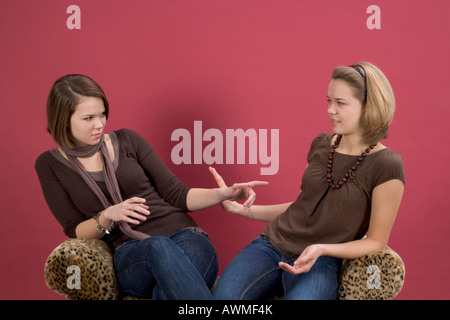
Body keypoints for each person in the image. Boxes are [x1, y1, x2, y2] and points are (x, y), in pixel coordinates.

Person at [35, 74, 267, 300]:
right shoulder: (49, 165)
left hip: (186, 237)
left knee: (165, 292)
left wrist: (223, 194)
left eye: (102, 114)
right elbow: (74, 229)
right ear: (64, 119)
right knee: (158, 245)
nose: (100, 124)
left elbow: (178, 194)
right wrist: (107, 216)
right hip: (132, 253)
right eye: (88, 118)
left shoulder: (128, 140)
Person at [210, 62, 405, 300]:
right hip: (272, 245)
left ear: (369, 106)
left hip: (321, 260)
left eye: (340, 103)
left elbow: (375, 241)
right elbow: (302, 207)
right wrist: (244, 211)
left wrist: (322, 249)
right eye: (329, 101)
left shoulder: (387, 164)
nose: (330, 110)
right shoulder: (321, 144)